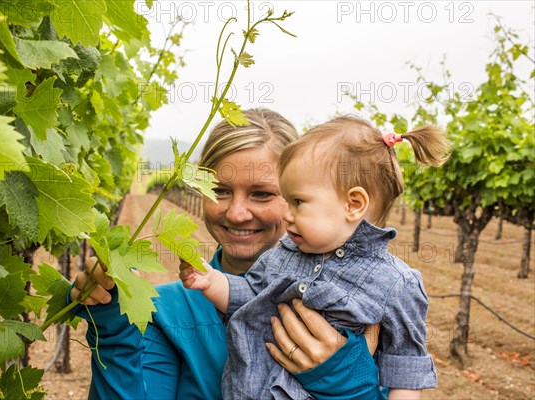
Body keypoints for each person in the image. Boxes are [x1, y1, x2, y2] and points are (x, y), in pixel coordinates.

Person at [69, 109, 380, 399]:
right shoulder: (164, 313)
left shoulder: (358, 303)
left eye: (262, 194)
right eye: (219, 191)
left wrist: (348, 380)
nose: (237, 213)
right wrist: (112, 329)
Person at [181, 115, 448, 399]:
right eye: (220, 191)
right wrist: (212, 282)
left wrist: (351, 385)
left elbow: (404, 368)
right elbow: (249, 293)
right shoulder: (283, 254)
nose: (287, 213)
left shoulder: (396, 283)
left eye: (297, 202)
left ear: (353, 204)